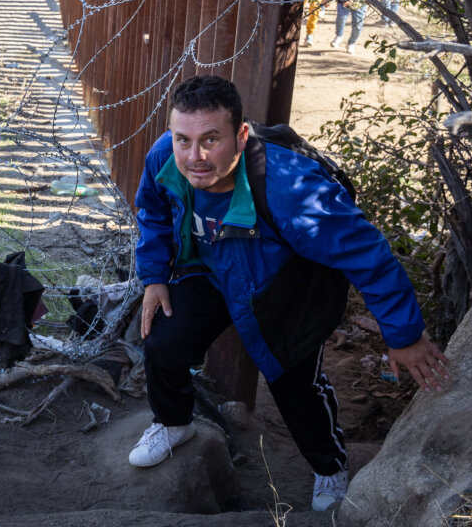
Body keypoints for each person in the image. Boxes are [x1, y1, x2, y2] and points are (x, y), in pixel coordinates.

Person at [131, 75, 450, 511]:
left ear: (241, 136)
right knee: (163, 339)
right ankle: (173, 422)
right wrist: (153, 276)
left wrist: (404, 335)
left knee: (293, 382)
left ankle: (329, 467)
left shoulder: (291, 188)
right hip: (207, 270)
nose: (195, 156)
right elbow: (151, 211)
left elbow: (367, 255)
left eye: (211, 139)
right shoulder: (165, 157)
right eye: (183, 138)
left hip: (282, 286)